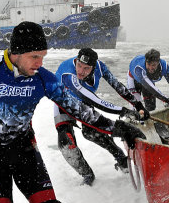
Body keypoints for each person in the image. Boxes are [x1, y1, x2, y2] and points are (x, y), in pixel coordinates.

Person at [0, 21, 144, 203]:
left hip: (25, 153)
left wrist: (118, 128)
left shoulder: (42, 78)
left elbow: (78, 109)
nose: (40, 63)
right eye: (35, 56)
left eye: (43, 56)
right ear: (16, 52)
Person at [54, 47, 149, 185]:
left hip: (84, 101)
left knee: (91, 132)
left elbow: (117, 86)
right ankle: (87, 175)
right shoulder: (68, 74)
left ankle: (120, 158)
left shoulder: (99, 66)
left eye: (86, 68)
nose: (80, 71)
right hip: (64, 104)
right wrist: (123, 111)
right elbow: (94, 100)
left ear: (93, 67)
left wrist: (138, 105)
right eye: (79, 65)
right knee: (65, 142)